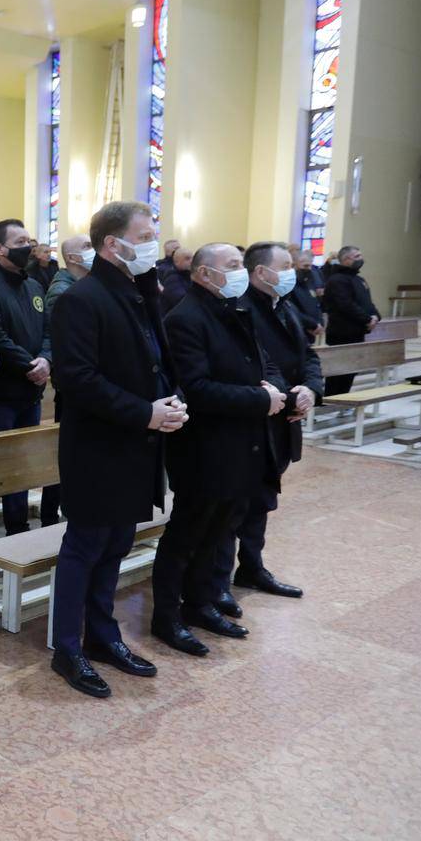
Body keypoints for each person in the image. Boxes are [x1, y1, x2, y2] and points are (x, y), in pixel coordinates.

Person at [48, 201, 181, 697]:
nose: (153, 244)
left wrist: (171, 402)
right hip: (97, 448)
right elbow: (77, 379)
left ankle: (102, 637)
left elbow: (157, 362)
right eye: (144, 236)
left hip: (136, 444)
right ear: (112, 244)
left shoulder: (137, 291)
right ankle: (67, 648)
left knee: (116, 546)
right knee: (85, 548)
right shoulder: (81, 299)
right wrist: (144, 412)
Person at [153, 242, 288, 657]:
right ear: (203, 274)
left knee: (217, 534)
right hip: (204, 449)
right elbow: (196, 389)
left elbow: (260, 359)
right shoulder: (185, 319)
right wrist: (259, 399)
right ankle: (167, 617)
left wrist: (273, 387)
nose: (240, 272)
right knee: (187, 535)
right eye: (231, 266)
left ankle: (200, 604)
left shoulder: (233, 309)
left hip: (240, 445)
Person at [216, 242, 323, 603]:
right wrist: (287, 397)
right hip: (254, 417)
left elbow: (307, 354)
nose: (293, 271)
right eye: (286, 265)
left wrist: (310, 389)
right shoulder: (240, 308)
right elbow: (251, 366)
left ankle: (251, 566)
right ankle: (218, 582)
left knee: (262, 498)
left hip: (282, 415)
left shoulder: (284, 304)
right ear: (261, 272)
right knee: (236, 504)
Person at [0, 219, 59, 534]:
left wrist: (46, 359)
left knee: (22, 463)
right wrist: (30, 366)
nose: (29, 246)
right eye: (20, 241)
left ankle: (17, 524)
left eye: (29, 239)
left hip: (31, 392)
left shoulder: (34, 285)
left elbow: (48, 330)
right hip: (1, 393)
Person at [321, 245, 380, 395]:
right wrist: (367, 319)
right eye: (357, 256)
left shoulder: (359, 279)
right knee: (338, 372)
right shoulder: (336, 280)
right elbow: (345, 305)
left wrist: (375, 317)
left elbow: (367, 303)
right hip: (341, 333)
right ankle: (330, 401)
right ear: (346, 260)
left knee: (351, 370)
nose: (361, 259)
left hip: (357, 332)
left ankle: (343, 401)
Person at [45, 234, 92, 318]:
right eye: (87, 246)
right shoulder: (61, 292)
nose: (94, 250)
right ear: (71, 258)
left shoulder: (88, 282)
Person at [284, 248, 324, 339]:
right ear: (293, 265)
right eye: (305, 266)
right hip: (296, 331)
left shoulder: (308, 281)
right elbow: (290, 309)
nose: (309, 269)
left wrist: (319, 323)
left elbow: (316, 304)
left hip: (312, 331)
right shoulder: (288, 285)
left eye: (310, 266)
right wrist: (311, 325)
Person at [157, 245, 193, 317]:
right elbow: (182, 302)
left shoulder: (188, 274)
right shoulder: (172, 278)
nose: (192, 261)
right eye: (187, 258)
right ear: (176, 262)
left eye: (193, 257)